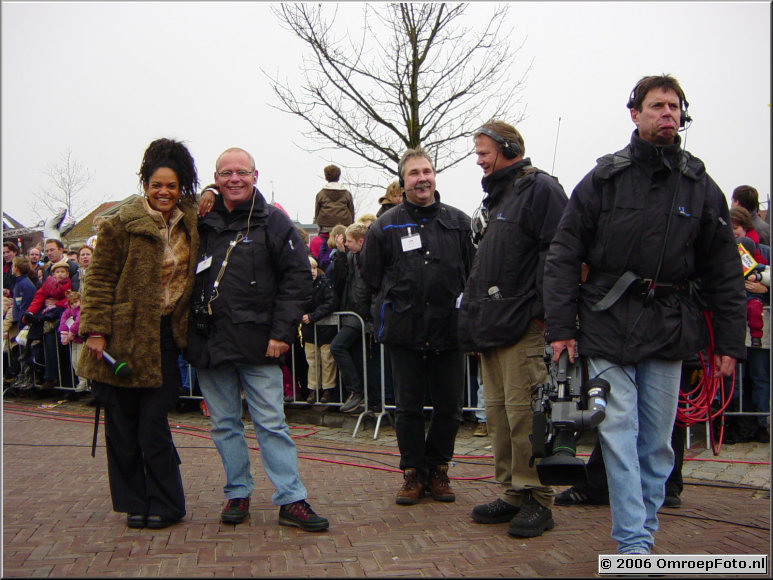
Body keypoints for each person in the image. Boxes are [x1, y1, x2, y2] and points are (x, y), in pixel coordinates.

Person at [543, 74, 746, 555]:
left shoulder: (699, 185)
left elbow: (724, 271)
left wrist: (730, 344)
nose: (667, 114)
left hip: (670, 326)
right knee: (618, 432)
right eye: (657, 106)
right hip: (607, 321)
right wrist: (561, 328)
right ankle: (633, 545)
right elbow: (563, 254)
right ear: (635, 114)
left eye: (674, 106)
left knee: (657, 445)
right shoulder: (602, 179)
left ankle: (644, 530)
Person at [185, 146, 329, 533]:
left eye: (241, 172)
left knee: (271, 422)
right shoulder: (201, 221)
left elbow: (298, 280)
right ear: (215, 179)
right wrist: (201, 199)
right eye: (226, 173)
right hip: (210, 343)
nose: (234, 178)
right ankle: (237, 492)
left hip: (261, 344)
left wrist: (282, 334)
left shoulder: (275, 223)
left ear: (255, 175)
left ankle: (291, 498)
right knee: (224, 424)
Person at [78, 137, 201, 530]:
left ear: (182, 187)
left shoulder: (192, 221)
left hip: (164, 337)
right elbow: (98, 279)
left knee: (153, 425)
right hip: (120, 339)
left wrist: (211, 190)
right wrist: (95, 330)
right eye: (156, 184)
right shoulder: (119, 224)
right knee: (122, 426)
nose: (164, 192)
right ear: (144, 184)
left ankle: (167, 502)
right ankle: (135, 502)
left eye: (172, 185)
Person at [457, 120, 568, 537]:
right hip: (493, 327)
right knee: (500, 416)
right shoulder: (498, 198)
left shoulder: (540, 189)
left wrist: (541, 314)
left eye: (484, 151)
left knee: (527, 416)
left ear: (507, 148)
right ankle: (511, 491)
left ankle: (538, 497)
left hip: (522, 325)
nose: (479, 159)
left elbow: (558, 255)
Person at [359, 146, 475, 505]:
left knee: (449, 406)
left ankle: (439, 468)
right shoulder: (385, 226)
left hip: (447, 331)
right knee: (407, 407)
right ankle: (413, 472)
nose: (422, 178)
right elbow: (371, 274)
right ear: (403, 180)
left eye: (427, 171)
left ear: (434, 176)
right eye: (414, 173)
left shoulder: (458, 222)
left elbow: (472, 273)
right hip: (404, 331)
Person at [329, 222, 372, 414]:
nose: (346, 244)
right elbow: (339, 279)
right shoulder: (349, 256)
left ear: (360, 241)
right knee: (354, 355)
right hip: (350, 311)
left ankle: (356, 391)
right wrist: (339, 253)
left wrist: (366, 315)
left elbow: (367, 289)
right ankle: (359, 394)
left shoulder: (368, 258)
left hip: (359, 313)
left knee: (337, 346)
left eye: (349, 241)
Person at [23, 259, 73, 388]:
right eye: (57, 272)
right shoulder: (47, 284)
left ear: (67, 274)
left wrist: (57, 303)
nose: (60, 274)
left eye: (63, 272)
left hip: (62, 318)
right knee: (44, 345)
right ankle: (45, 375)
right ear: (53, 274)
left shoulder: (69, 284)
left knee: (61, 352)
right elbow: (39, 298)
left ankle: (62, 381)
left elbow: (71, 299)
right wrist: (30, 313)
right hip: (48, 318)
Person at [301, 256, 338, 404]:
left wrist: (313, 316)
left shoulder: (325, 283)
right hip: (309, 330)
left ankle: (328, 389)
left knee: (327, 360)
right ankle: (313, 389)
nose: (312, 272)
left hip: (325, 328)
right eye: (309, 269)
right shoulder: (301, 286)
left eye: (314, 268)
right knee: (312, 360)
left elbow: (331, 303)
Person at [58, 290, 88, 395]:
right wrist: (64, 334)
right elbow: (63, 321)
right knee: (74, 361)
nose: (74, 305)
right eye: (71, 303)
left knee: (80, 360)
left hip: (81, 339)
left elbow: (78, 322)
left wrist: (71, 332)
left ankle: (84, 381)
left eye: (76, 302)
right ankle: (81, 381)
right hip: (74, 340)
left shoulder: (81, 310)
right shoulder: (68, 311)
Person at [314, 164, 354, 230]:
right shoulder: (347, 193)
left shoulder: (321, 194)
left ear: (326, 177)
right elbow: (351, 210)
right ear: (338, 176)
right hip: (344, 226)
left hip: (325, 226)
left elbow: (317, 212)